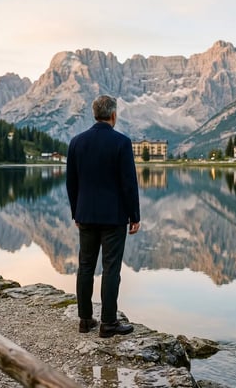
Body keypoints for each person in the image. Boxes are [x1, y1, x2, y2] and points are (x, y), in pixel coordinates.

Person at [66, 95, 140, 338]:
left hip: (85, 215)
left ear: (94, 114)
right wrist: (134, 215)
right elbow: (129, 184)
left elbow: (71, 183)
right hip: (113, 217)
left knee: (85, 266)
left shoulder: (76, 142)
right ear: (114, 115)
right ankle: (108, 323)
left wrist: (76, 211)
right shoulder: (121, 142)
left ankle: (85, 320)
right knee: (111, 269)